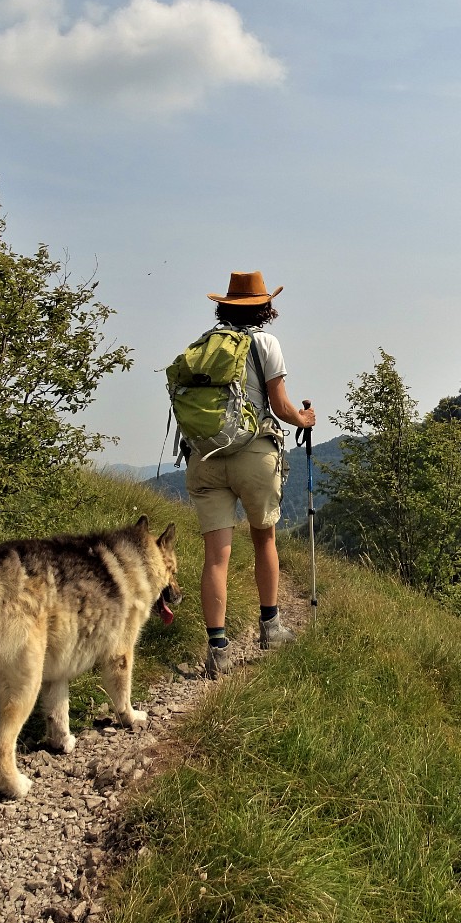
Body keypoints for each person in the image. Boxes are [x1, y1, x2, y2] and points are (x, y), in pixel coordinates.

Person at [185, 270, 317, 678]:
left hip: (204, 456)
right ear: (264, 307)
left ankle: (217, 649)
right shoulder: (265, 343)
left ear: (224, 305)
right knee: (264, 539)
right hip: (253, 454)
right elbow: (280, 407)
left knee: (216, 557)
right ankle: (270, 627)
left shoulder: (205, 345)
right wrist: (304, 418)